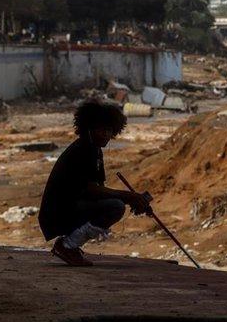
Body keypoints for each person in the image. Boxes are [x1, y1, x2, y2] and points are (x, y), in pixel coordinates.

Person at [38, 100, 151, 266]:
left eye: (109, 130)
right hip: (58, 212)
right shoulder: (82, 151)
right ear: (89, 128)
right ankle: (67, 246)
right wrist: (129, 197)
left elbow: (98, 189)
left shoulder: (94, 150)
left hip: (70, 206)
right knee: (116, 207)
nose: (106, 135)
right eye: (101, 130)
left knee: (115, 203)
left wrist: (132, 199)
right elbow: (92, 191)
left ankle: (69, 245)